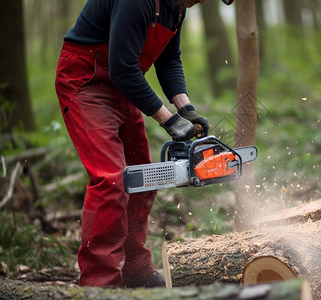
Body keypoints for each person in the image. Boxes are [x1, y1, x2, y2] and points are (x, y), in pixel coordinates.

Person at [55, 0, 232, 288]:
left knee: (142, 178)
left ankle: (134, 271)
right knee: (111, 179)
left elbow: (169, 59)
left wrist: (185, 109)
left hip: (122, 85)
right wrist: (168, 120)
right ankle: (100, 283)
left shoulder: (177, 7)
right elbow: (122, 66)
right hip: (86, 80)